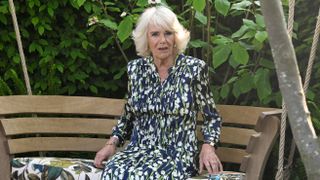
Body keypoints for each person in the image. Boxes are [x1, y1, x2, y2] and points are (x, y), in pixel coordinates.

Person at [94, 5, 222, 179]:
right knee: (114, 171)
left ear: (176, 37)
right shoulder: (136, 70)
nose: (163, 40)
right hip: (138, 152)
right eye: (155, 34)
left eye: (168, 33)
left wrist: (208, 146)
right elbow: (128, 115)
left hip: (178, 154)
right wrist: (112, 143)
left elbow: (211, 116)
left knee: (150, 176)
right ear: (146, 39)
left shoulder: (194, 69)